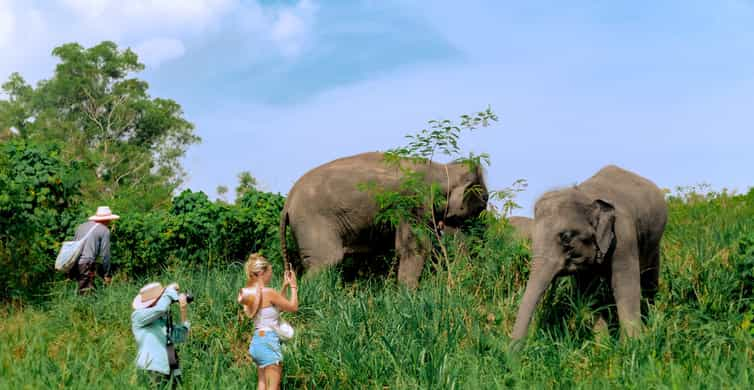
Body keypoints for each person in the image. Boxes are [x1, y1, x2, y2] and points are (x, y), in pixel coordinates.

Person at [238, 253, 298, 390]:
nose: (271, 275)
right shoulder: (269, 292)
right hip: (269, 342)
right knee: (273, 387)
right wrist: (294, 287)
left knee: (262, 384)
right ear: (262, 273)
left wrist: (284, 287)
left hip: (257, 342)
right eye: (270, 272)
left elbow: (273, 309)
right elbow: (293, 307)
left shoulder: (249, 294)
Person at [131, 281, 190, 388]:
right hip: (150, 368)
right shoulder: (138, 316)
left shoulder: (162, 319)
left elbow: (181, 337)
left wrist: (183, 309)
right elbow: (160, 308)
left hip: (170, 365)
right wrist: (168, 293)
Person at [69, 206, 119, 294]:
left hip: (74, 262)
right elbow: (105, 254)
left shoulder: (82, 226)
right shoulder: (104, 230)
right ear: (107, 219)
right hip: (87, 263)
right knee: (86, 293)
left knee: (83, 289)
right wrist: (107, 274)